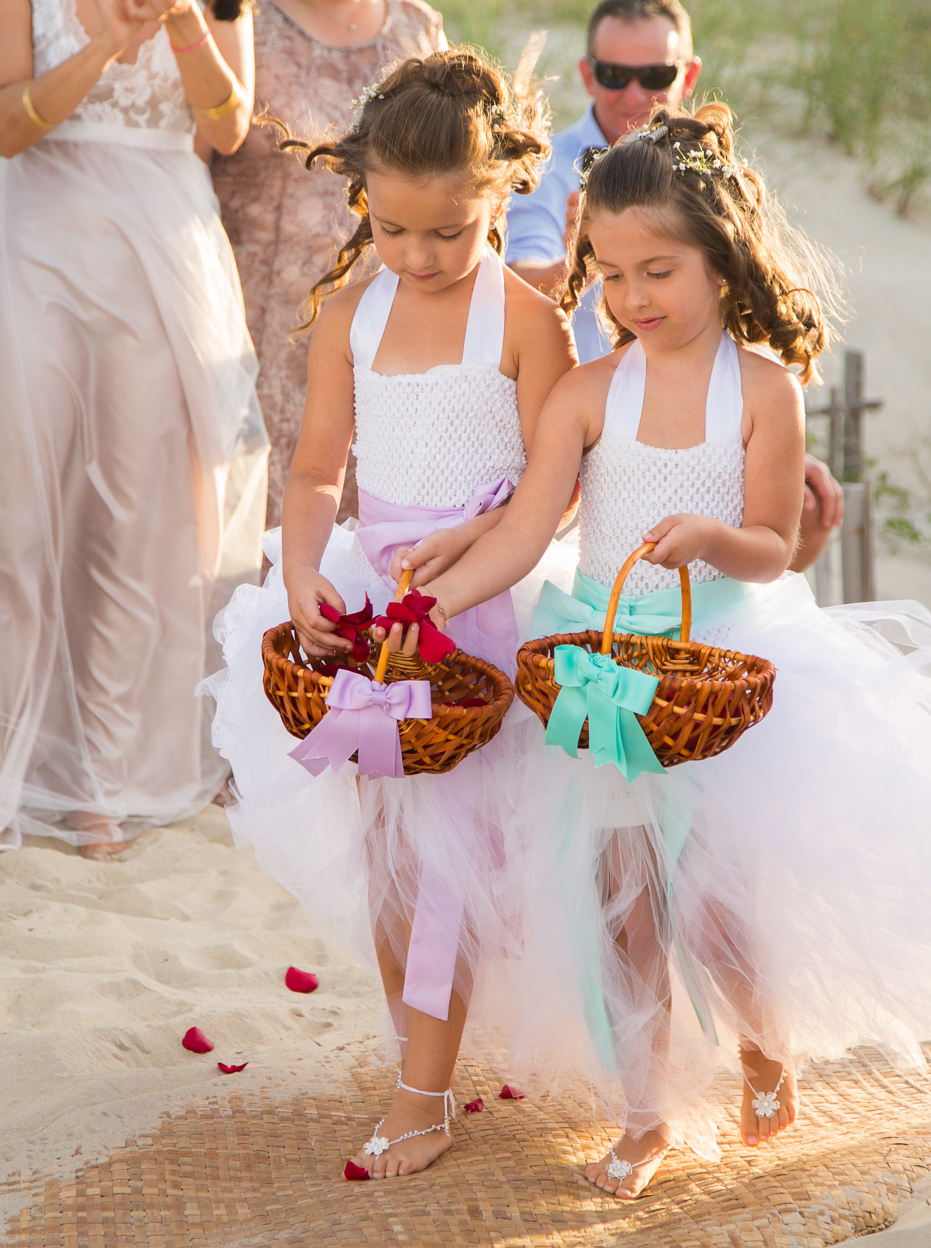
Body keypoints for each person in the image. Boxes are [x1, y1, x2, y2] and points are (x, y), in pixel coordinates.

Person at [410, 103, 931, 1196]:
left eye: (658, 271)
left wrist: (709, 539)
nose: (630, 299)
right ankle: (644, 1115)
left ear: (721, 264)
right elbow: (527, 531)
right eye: (610, 273)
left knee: (719, 900)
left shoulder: (764, 390)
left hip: (725, 666)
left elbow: (774, 547)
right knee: (619, 899)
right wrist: (436, 601)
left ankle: (762, 1047)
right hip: (600, 670)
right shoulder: (589, 394)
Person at [202, 47, 576, 1180]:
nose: (417, 256)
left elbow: (552, 497)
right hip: (378, 611)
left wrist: (473, 564)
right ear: (363, 196)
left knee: (463, 859)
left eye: (447, 233)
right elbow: (316, 469)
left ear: (498, 196)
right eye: (395, 228)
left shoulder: (527, 322)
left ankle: (424, 1089)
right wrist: (307, 567)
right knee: (393, 859)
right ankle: (420, 1056)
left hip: (488, 610)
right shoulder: (349, 316)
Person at [0, 0, 268, 857]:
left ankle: (98, 784)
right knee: (22, 514)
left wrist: (185, 24)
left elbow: (229, 127)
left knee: (130, 512)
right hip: (37, 241)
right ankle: (13, 759)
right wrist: (109, 45)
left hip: (162, 254)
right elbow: (8, 127)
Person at [504, 0, 843, 572]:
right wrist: (578, 255)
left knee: (808, 505)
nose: (635, 93)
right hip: (579, 431)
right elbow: (519, 286)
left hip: (699, 402)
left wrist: (759, 451)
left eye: (656, 76)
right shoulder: (545, 166)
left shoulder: (697, 182)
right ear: (587, 74)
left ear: (686, 75)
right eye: (614, 74)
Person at [210, 0, 447, 526]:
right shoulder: (237, 18)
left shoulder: (416, 23)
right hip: (262, 328)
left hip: (393, 325)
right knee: (262, 514)